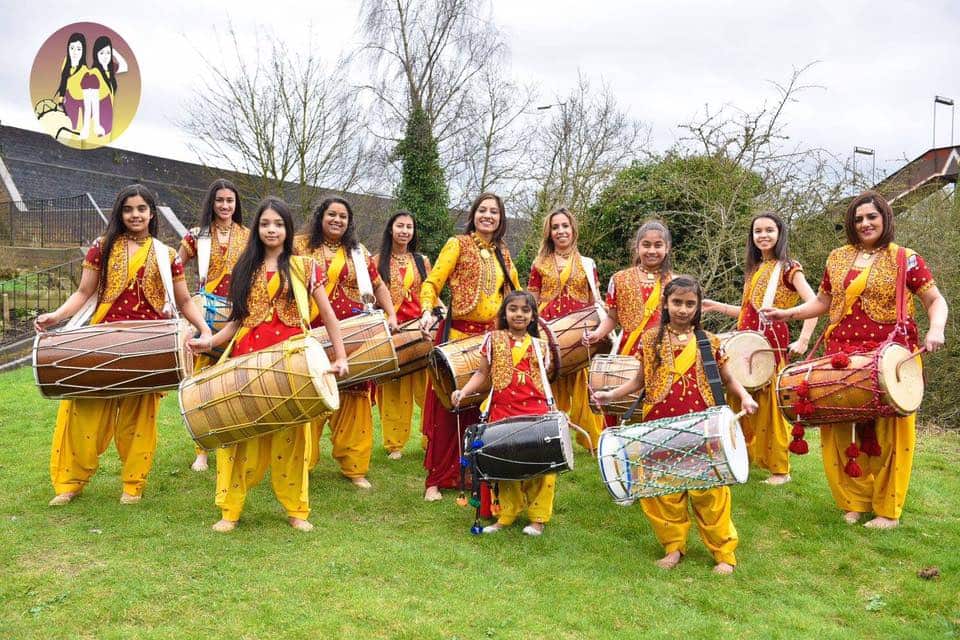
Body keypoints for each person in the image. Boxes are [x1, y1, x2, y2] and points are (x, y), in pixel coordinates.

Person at [763, 191, 947, 529]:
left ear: (885, 218)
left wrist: (936, 329)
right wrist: (787, 314)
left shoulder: (906, 258)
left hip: (890, 357)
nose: (865, 223)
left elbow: (935, 300)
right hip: (841, 355)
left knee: (889, 436)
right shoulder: (837, 257)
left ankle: (887, 511)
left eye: (872, 217)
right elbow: (823, 302)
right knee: (840, 432)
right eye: (858, 218)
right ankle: (854, 502)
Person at [36, 184, 211, 506]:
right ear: (120, 213)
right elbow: (84, 292)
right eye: (128, 209)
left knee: (138, 422)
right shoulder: (102, 247)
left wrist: (203, 329)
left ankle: (133, 485)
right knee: (83, 415)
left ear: (151, 214)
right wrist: (56, 316)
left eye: (141, 209)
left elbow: (184, 300)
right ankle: (70, 484)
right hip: (102, 344)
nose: (135, 215)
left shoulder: (167, 255)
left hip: (147, 351)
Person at [187, 197, 348, 532]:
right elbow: (237, 321)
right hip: (247, 359)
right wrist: (210, 342)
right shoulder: (244, 268)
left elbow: (328, 315)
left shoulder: (305, 267)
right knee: (239, 437)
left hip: (292, 363)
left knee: (293, 439)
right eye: (264, 224)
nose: (271, 230)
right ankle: (230, 510)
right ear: (257, 229)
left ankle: (296, 510)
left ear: (288, 229)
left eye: (278, 224)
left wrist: (341, 355)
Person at [593, 276, 758, 574]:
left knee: (710, 491)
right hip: (659, 423)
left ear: (698, 307)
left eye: (690, 304)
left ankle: (723, 553)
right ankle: (673, 547)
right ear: (666, 304)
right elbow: (640, 381)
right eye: (677, 302)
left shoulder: (709, 341)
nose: (683, 309)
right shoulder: (651, 340)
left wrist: (745, 397)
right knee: (664, 490)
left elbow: (728, 378)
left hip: (703, 425)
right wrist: (611, 395)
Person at [418, 192, 521, 502]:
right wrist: (427, 309)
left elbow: (515, 293)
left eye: (494, 212)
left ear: (501, 219)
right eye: (483, 210)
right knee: (447, 409)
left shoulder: (503, 253)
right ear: (473, 214)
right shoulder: (457, 244)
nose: (488, 215)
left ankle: (473, 473)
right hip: (457, 337)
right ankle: (435, 480)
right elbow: (432, 282)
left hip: (489, 340)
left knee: (482, 410)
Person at [701, 213, 818, 484]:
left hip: (769, 346)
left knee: (769, 409)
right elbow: (747, 312)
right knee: (736, 400)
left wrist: (803, 340)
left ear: (780, 233)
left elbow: (814, 304)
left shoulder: (789, 268)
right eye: (758, 231)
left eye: (769, 230)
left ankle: (780, 470)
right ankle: (740, 457)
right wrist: (716, 306)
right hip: (744, 344)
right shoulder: (754, 269)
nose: (763, 235)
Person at [295, 197, 397, 490]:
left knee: (355, 398)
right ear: (320, 216)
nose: (337, 220)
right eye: (332, 214)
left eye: (343, 216)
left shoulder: (358, 252)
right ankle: (300, 463)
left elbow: (378, 286)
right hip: (312, 333)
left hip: (354, 337)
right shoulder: (300, 246)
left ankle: (355, 467)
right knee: (310, 394)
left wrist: (391, 314)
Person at [453, 291, 556, 535]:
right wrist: (463, 391)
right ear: (504, 313)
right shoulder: (493, 339)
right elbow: (482, 373)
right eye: (513, 309)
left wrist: (556, 411)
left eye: (525, 310)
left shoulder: (541, 345)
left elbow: (545, 382)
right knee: (503, 463)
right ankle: (506, 515)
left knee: (542, 466)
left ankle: (538, 518)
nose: (519, 314)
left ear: (533, 316)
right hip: (503, 411)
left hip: (536, 412)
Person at [178, 179, 250, 471]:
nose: (225, 205)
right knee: (203, 387)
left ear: (236, 204)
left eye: (230, 200)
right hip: (205, 319)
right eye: (220, 200)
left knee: (234, 383)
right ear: (212, 202)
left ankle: (234, 442)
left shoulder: (248, 236)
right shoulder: (197, 235)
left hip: (238, 317)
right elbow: (175, 268)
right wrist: (184, 302)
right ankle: (202, 451)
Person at [527, 207, 604, 452]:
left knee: (584, 387)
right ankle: (550, 441)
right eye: (555, 227)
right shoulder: (539, 264)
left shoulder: (587, 263)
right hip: (548, 334)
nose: (560, 231)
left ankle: (594, 442)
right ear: (549, 233)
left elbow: (595, 301)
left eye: (565, 226)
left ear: (573, 230)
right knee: (549, 387)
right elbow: (531, 302)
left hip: (579, 334)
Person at [583, 220, 673, 426]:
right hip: (626, 353)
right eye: (646, 245)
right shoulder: (619, 279)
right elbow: (612, 318)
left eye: (658, 245)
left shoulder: (675, 282)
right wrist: (597, 334)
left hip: (661, 353)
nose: (652, 250)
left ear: (667, 248)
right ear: (637, 247)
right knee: (620, 409)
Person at [372, 211, 432, 460]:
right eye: (400, 226)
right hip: (392, 332)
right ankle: (394, 445)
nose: (405, 231)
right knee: (393, 391)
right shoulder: (376, 261)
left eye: (409, 227)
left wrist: (433, 315)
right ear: (390, 229)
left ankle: (431, 440)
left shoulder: (421, 261)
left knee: (428, 390)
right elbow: (371, 297)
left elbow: (429, 291)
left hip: (420, 332)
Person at [83, 35, 128, 139]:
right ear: (96, 54)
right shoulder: (92, 74)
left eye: (108, 53)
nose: (105, 56)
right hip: (96, 124)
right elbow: (89, 105)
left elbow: (124, 66)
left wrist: (113, 51)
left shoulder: (110, 71)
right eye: (102, 53)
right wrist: (91, 127)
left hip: (107, 121)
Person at [53, 33, 88, 132]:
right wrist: (61, 100)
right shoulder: (66, 63)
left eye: (79, 49)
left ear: (83, 51)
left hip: (80, 101)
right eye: (72, 48)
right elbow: (63, 80)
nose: (75, 52)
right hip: (68, 100)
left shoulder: (85, 70)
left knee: (76, 128)